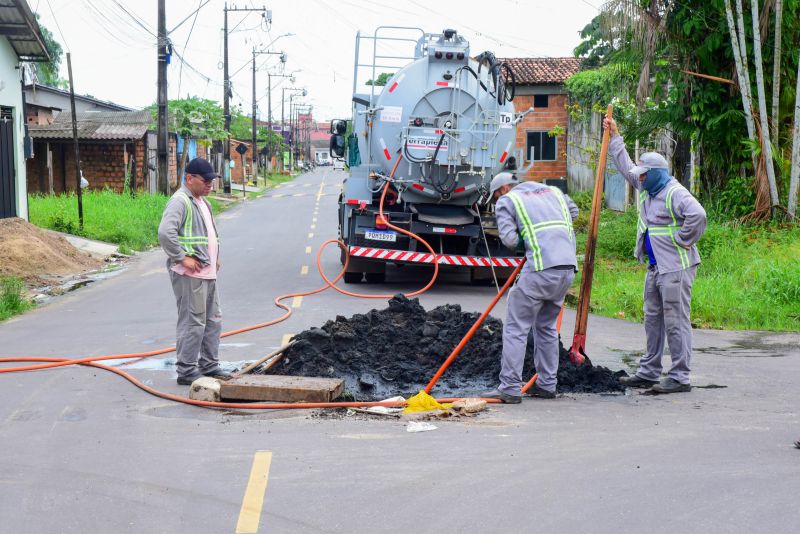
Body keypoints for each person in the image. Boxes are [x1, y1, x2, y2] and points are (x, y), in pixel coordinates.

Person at [604, 116, 707, 394]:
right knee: (653, 319)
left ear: (657, 173)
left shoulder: (674, 192)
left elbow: (698, 215)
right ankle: (649, 372)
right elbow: (626, 168)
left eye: (644, 173)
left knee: (676, 321)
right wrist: (615, 136)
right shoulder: (647, 188)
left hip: (676, 268)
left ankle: (680, 377)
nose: (639, 177)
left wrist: (683, 239)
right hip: (655, 268)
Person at [482, 172, 579, 403]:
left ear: (502, 189)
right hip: (566, 269)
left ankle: (510, 388)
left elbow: (509, 239)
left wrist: (530, 239)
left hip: (540, 269)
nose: (496, 203)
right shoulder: (554, 191)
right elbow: (573, 212)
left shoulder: (508, 200)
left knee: (516, 328)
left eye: (494, 198)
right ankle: (547, 385)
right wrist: (554, 236)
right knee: (546, 327)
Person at [158, 157, 231, 385]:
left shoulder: (203, 202)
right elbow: (165, 233)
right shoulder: (181, 200)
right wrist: (181, 257)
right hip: (190, 276)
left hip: (207, 274)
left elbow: (209, 234)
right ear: (189, 179)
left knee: (213, 321)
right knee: (193, 322)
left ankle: (209, 366)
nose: (210, 184)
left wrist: (215, 258)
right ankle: (187, 370)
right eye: (206, 180)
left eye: (212, 180)